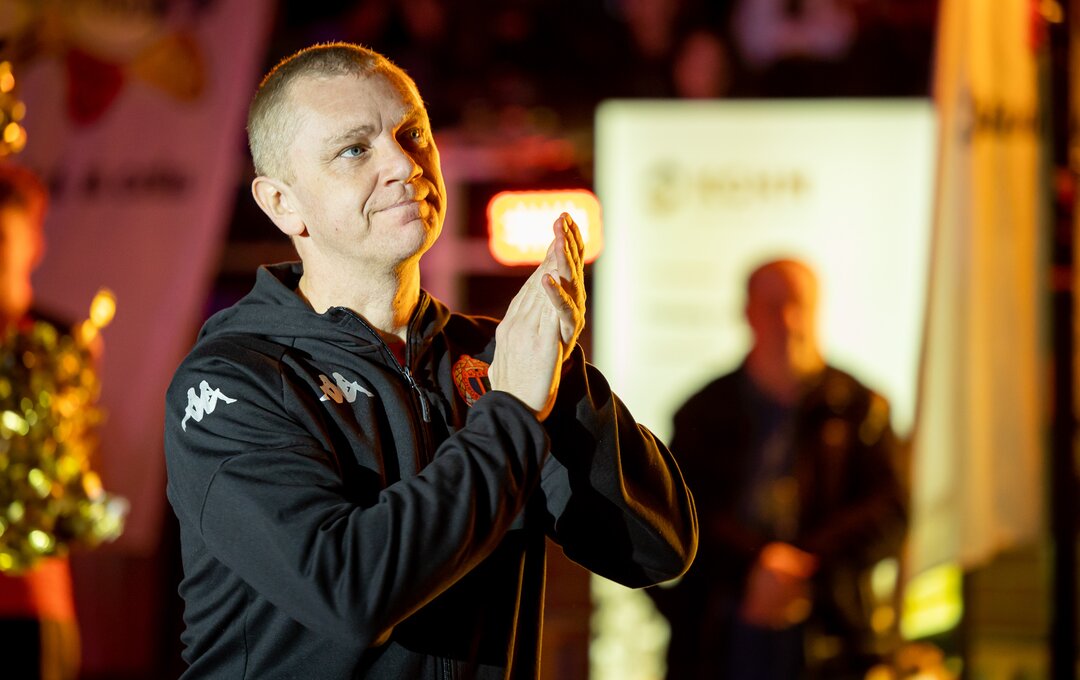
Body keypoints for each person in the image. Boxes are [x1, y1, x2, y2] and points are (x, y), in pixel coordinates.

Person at [163, 42, 698, 679]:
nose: (403, 163)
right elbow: (351, 591)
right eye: (354, 149)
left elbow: (655, 550)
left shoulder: (496, 356)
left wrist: (559, 378)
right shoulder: (233, 382)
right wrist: (513, 411)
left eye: (412, 133)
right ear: (282, 203)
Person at [649, 259, 907, 679]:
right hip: (721, 628)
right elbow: (676, 509)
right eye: (772, 306)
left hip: (832, 629)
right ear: (747, 313)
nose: (787, 320)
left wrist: (803, 566)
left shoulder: (860, 408)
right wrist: (754, 567)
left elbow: (891, 510)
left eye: (797, 304)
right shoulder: (703, 411)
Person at [0, 163, 80, 680]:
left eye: (2, 238)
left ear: (33, 243)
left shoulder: (57, 347)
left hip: (28, 603)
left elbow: (75, 485)